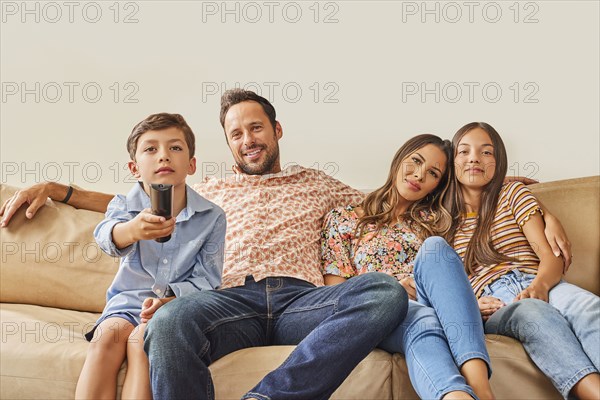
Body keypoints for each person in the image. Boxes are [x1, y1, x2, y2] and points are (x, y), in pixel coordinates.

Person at [0, 89, 408, 400]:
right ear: (228, 143)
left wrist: (465, 204)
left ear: (277, 130)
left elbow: (391, 202)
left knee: (384, 292)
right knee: (167, 321)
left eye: (256, 127)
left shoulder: (317, 183)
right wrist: (58, 189)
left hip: (301, 301)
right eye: (236, 133)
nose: (248, 139)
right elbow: (131, 204)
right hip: (227, 303)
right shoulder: (209, 192)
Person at [322, 134, 494, 400]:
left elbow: (482, 189)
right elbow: (336, 296)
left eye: (433, 173)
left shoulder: (437, 220)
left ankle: (479, 390)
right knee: (421, 320)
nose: (419, 175)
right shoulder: (343, 218)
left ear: (437, 186)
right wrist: (390, 290)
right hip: (378, 311)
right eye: (415, 161)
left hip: (432, 304)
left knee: (435, 248)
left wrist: (465, 303)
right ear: (399, 158)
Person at [445, 122, 600, 400]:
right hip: (494, 301)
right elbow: (441, 284)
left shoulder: (513, 195)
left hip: (540, 281)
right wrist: (468, 306)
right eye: (464, 151)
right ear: (451, 162)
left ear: (499, 160)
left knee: (590, 305)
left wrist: (540, 286)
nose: (474, 158)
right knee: (534, 314)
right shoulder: (442, 221)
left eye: (486, 152)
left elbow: (549, 255)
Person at [77, 113, 226, 399]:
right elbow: (106, 236)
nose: (164, 157)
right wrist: (131, 230)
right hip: (126, 303)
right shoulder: (125, 204)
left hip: (171, 310)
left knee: (140, 341)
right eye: (151, 149)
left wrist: (169, 300)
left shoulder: (212, 217)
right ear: (135, 168)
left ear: (191, 164)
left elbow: (207, 279)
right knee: (106, 339)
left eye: (175, 148)